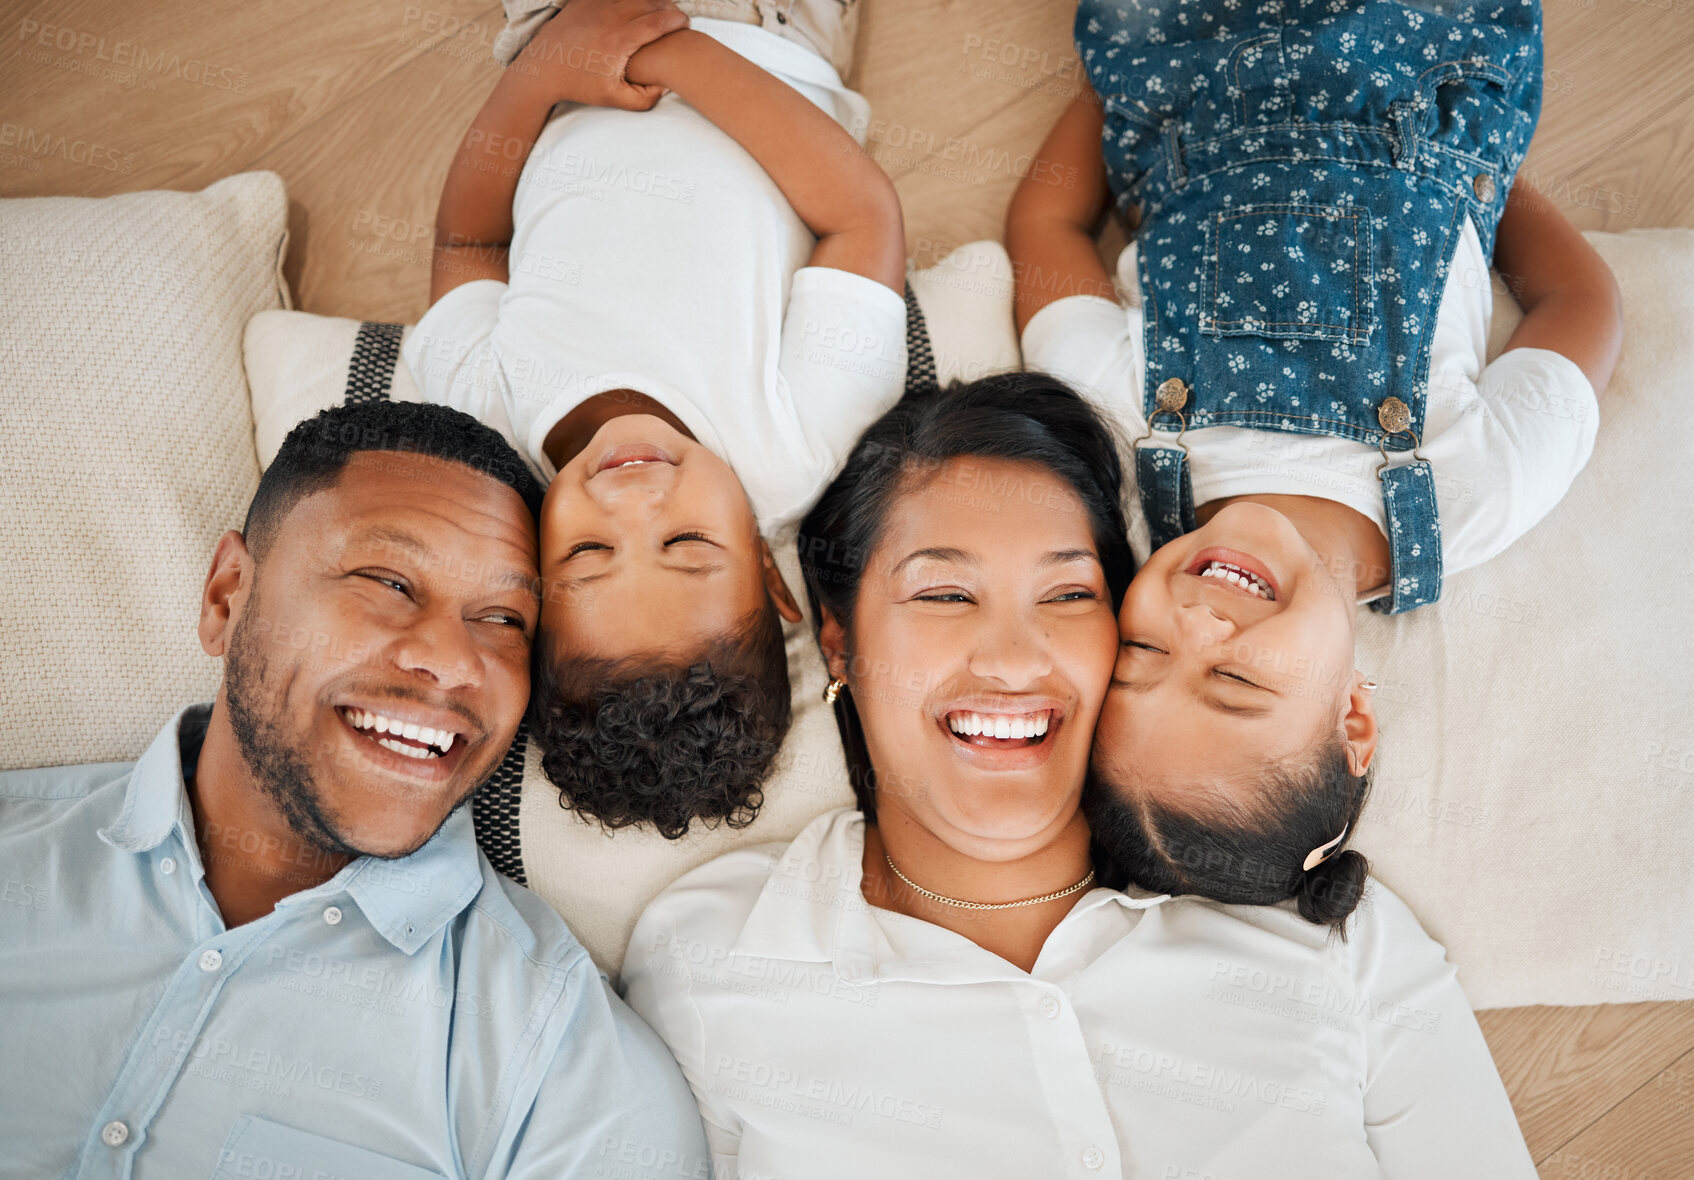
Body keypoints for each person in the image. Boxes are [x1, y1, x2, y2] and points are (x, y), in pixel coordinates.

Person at [619, 374, 1535, 1178]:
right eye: (944, 594)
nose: (1015, 660)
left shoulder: (1330, 934)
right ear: (840, 641)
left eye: (1069, 595)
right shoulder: (711, 960)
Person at [1005, 0, 1623, 920]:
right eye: (1237, 680)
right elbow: (1580, 300)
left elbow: (1048, 233)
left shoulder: (1125, 444)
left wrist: (1112, 85)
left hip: (1188, 59)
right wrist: (1484, 183)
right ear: (1354, 717)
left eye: (1141, 649)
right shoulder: (1471, 497)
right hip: (1425, 65)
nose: (1197, 623)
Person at [0, 401, 708, 1179]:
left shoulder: (569, 1076)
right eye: (389, 581)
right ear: (226, 598)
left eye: (504, 618)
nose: (451, 659)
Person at [404, 0, 907, 840]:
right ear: (770, 571)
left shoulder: (487, 421)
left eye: (589, 552)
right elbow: (861, 217)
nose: (634, 503)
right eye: (685, 545)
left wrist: (541, 72)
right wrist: (674, 54)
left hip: (568, 41)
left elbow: (468, 247)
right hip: (760, 35)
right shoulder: (798, 447)